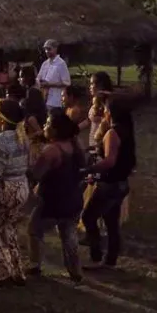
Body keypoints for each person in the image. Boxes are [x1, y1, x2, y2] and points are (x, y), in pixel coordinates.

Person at [27, 111, 85, 282]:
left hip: (51, 202)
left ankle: (34, 265)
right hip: (73, 198)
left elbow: (35, 174)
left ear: (55, 129)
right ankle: (75, 270)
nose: (44, 126)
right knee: (69, 235)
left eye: (47, 123)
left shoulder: (51, 151)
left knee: (34, 230)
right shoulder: (75, 144)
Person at [82, 98, 136, 269]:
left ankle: (96, 257)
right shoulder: (127, 131)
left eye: (105, 109)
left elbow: (109, 161)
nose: (104, 112)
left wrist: (88, 169)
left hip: (109, 185)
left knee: (88, 217)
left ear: (111, 113)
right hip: (121, 184)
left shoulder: (113, 133)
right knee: (112, 223)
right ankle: (110, 260)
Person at [0, 98, 31, 286]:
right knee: (8, 228)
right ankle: (17, 270)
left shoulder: (0, 140)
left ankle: (3, 273)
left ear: (2, 119)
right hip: (21, 186)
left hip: (7, 189)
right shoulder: (23, 137)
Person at [37, 40, 71, 117]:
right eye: (45, 49)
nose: (47, 51)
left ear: (55, 49)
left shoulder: (61, 63)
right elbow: (38, 78)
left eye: (49, 49)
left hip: (56, 101)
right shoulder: (45, 64)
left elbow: (67, 83)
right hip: (44, 99)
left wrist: (50, 84)